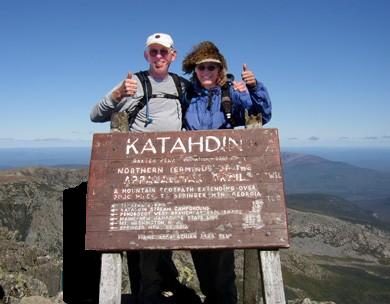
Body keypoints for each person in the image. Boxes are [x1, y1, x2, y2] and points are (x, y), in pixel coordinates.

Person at [90, 33, 200, 304]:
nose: (159, 57)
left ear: (173, 55)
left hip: (172, 174)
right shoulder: (132, 84)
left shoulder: (182, 86)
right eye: (153, 52)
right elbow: (95, 114)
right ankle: (147, 291)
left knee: (164, 232)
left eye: (163, 52)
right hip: (137, 176)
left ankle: (163, 284)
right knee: (140, 234)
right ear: (146, 55)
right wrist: (117, 94)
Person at [182, 41, 272, 304]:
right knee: (198, 236)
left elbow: (261, 114)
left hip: (223, 177)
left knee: (222, 236)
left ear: (220, 69)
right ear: (195, 70)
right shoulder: (189, 94)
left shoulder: (232, 92)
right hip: (194, 177)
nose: (207, 71)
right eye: (202, 67)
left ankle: (225, 298)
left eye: (212, 67)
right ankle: (210, 294)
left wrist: (254, 86)